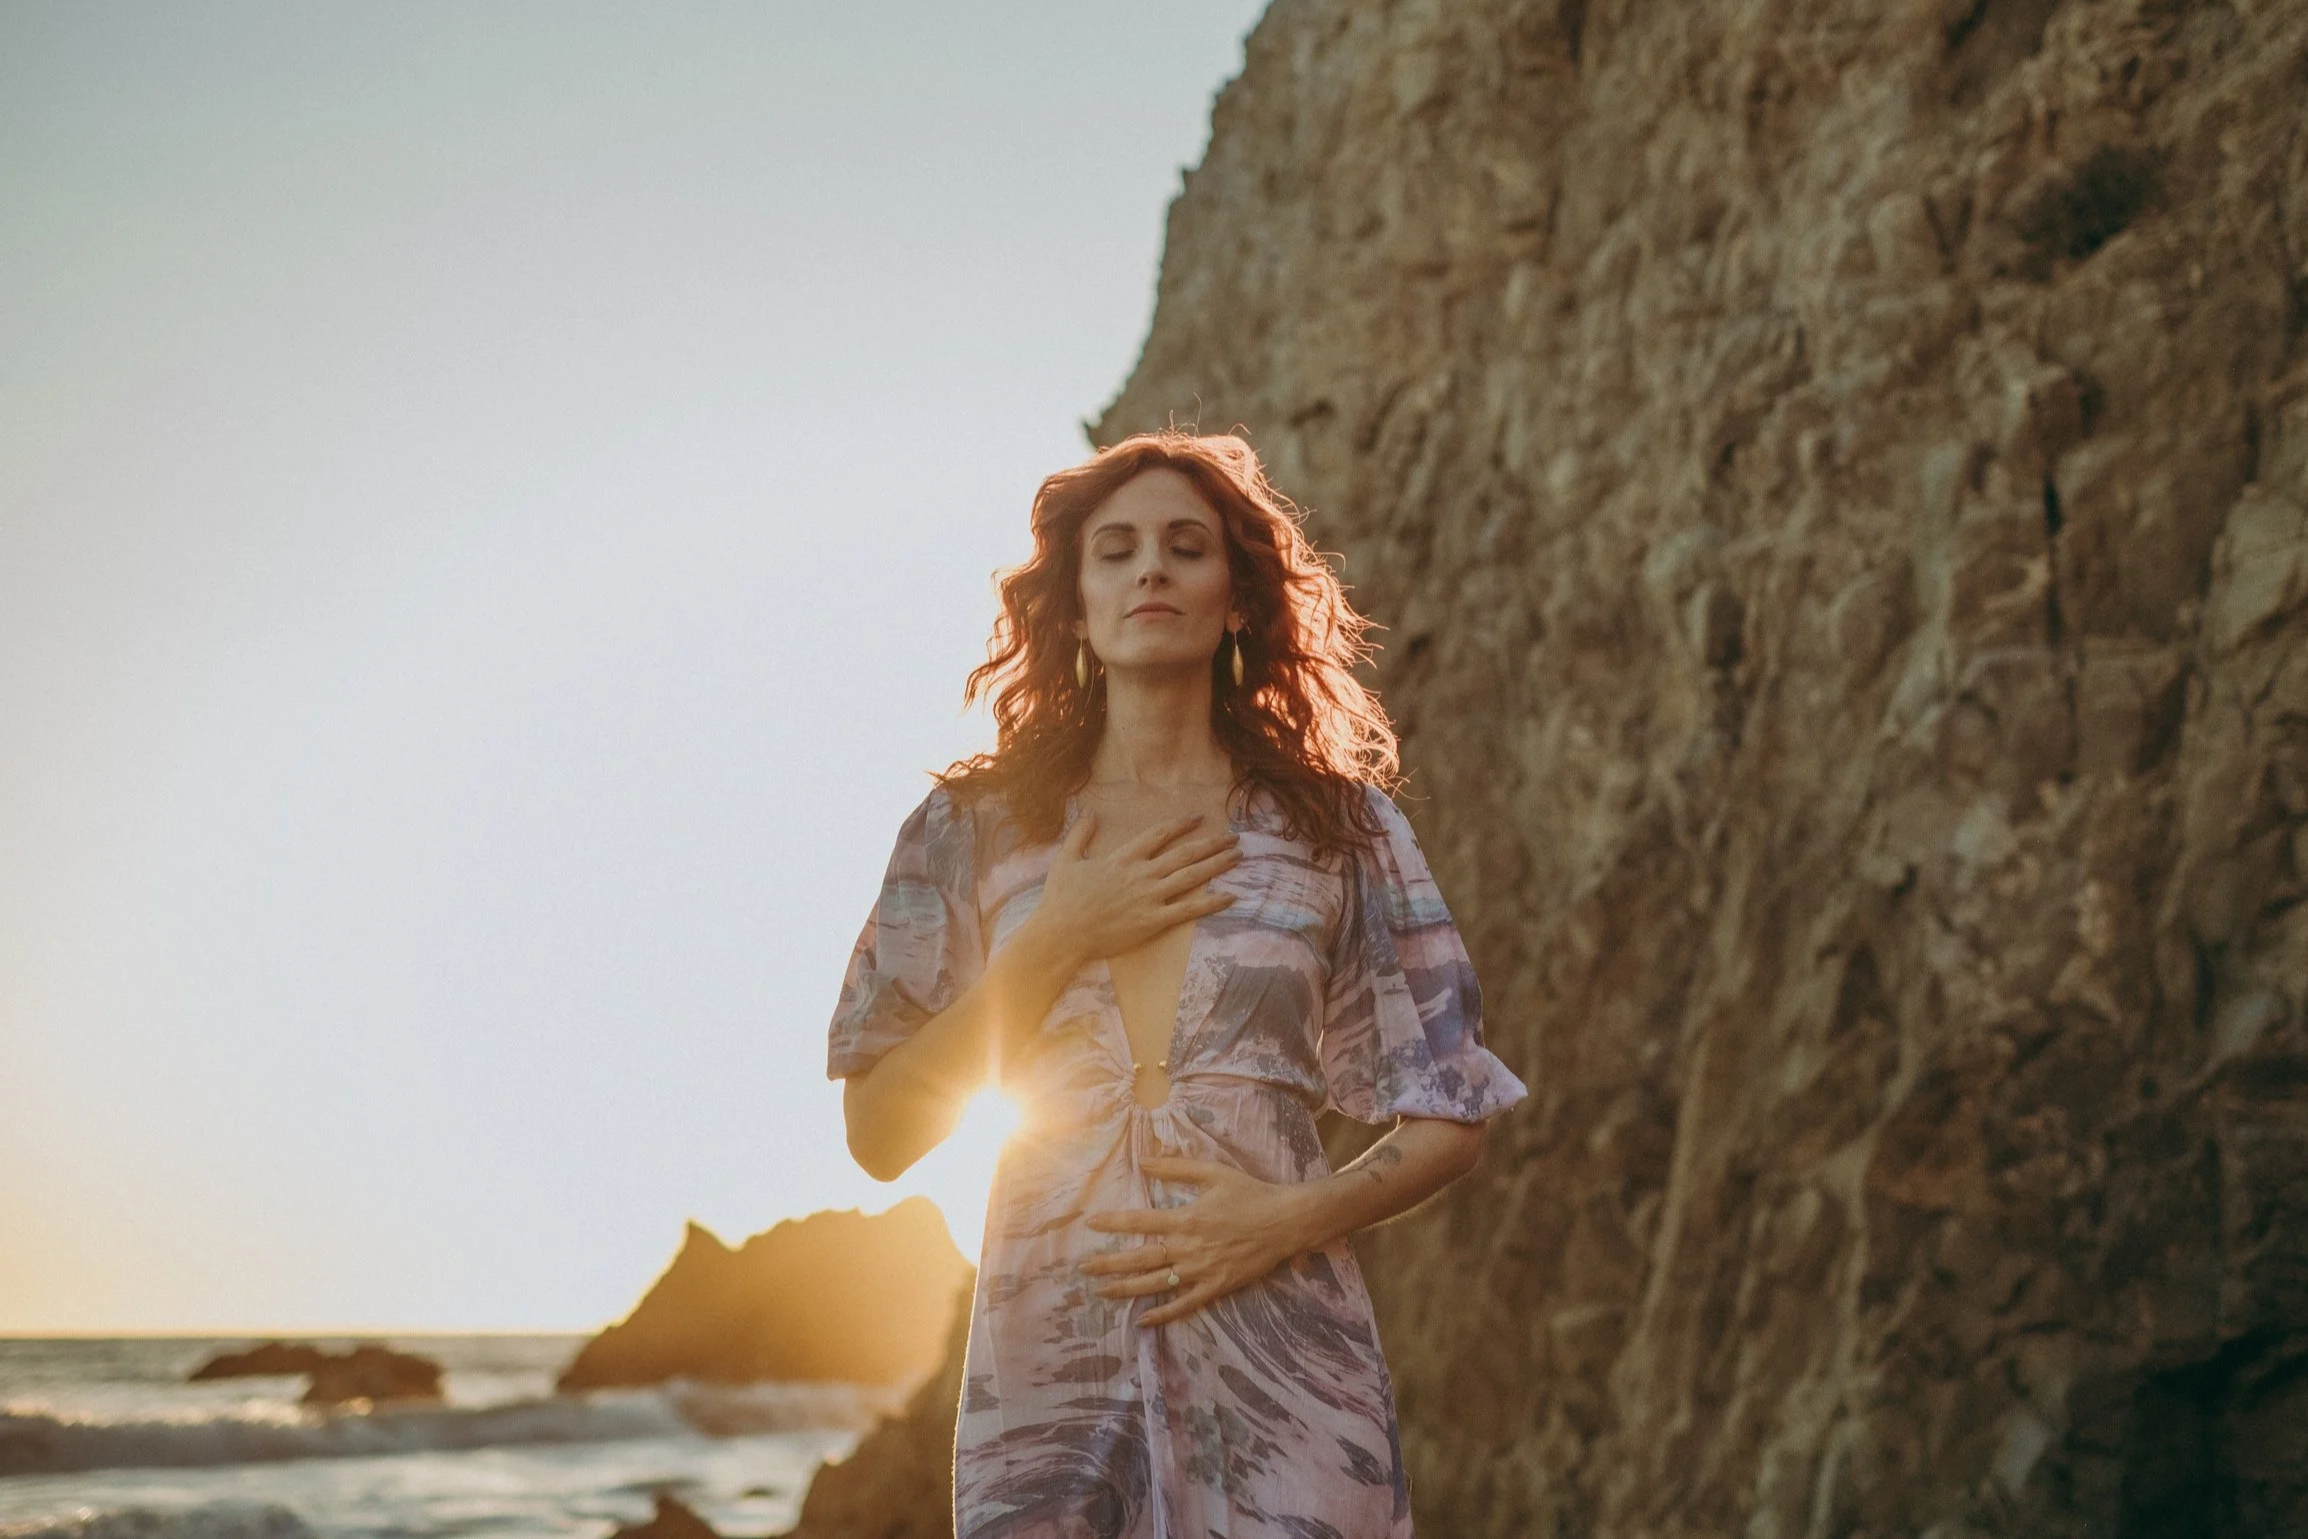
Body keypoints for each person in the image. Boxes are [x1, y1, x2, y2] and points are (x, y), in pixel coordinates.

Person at [827, 429, 1527, 1539]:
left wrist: (1291, 1218)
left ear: (1237, 597)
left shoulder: (1340, 829)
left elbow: (1450, 1110)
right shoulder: (967, 832)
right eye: (1115, 550)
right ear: (1072, 605)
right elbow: (876, 1131)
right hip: (1049, 1377)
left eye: (1185, 546)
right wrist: (1054, 939)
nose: (1150, 568)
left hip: (1286, 1359)